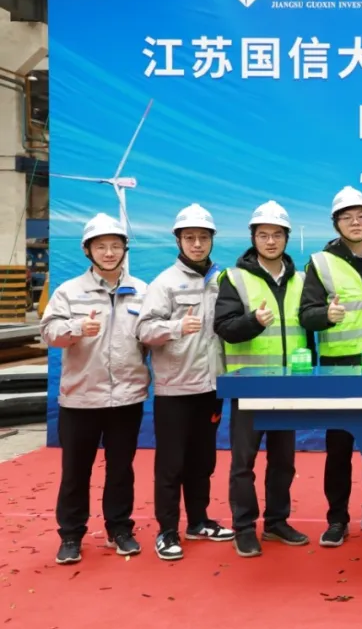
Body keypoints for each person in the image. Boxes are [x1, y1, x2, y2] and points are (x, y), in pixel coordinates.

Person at [42, 213, 149, 564]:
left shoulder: (142, 291)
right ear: (87, 250)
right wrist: (75, 328)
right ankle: (71, 535)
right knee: (76, 471)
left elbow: (150, 335)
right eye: (101, 246)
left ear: (125, 249)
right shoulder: (69, 291)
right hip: (81, 399)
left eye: (115, 245)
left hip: (127, 398)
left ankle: (120, 529)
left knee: (121, 469)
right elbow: (48, 333)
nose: (109, 252)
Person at [298, 185, 362, 548]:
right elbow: (306, 315)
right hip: (339, 367)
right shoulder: (321, 262)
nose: (355, 223)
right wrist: (326, 315)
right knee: (339, 447)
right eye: (347, 217)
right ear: (336, 223)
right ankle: (337, 519)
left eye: (361, 216)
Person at [137, 204, 235, 562]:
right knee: (171, 464)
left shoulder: (223, 280)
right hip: (175, 388)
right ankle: (167, 531)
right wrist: (177, 327)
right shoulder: (164, 283)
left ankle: (198, 521)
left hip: (211, 387)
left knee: (203, 460)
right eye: (190, 237)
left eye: (203, 237)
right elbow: (144, 330)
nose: (197, 244)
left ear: (212, 240)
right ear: (178, 240)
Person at [214, 200, 311, 557]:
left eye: (277, 235)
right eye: (263, 235)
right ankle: (243, 527)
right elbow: (224, 327)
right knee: (244, 463)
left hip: (288, 385)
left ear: (287, 238)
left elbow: (309, 326)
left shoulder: (301, 280)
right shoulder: (234, 278)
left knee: (284, 461)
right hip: (249, 385)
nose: (270, 241)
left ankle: (276, 522)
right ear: (253, 238)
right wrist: (253, 321)